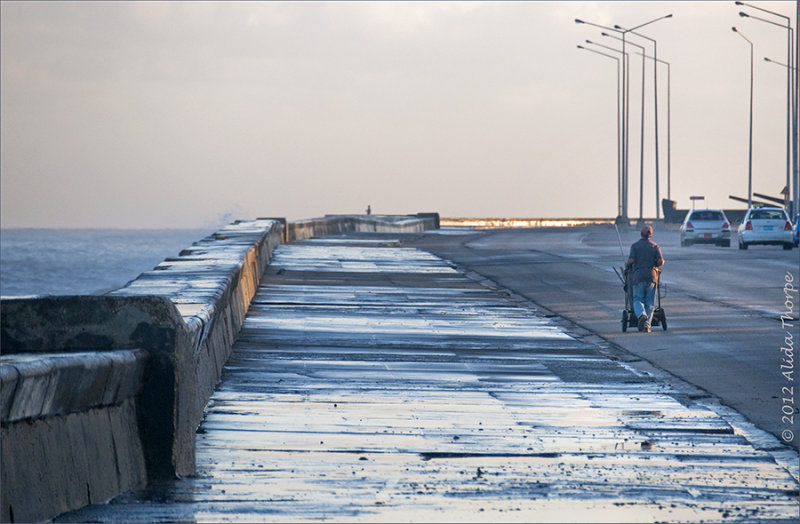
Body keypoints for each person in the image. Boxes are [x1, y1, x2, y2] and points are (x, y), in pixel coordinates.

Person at [626, 225, 664, 333]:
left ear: (641, 234)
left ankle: (641, 315)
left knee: (637, 299)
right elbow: (661, 261)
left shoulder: (635, 246)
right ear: (650, 235)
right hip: (652, 277)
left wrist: (627, 264)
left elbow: (631, 260)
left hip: (638, 277)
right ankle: (647, 326)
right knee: (650, 303)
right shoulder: (655, 246)